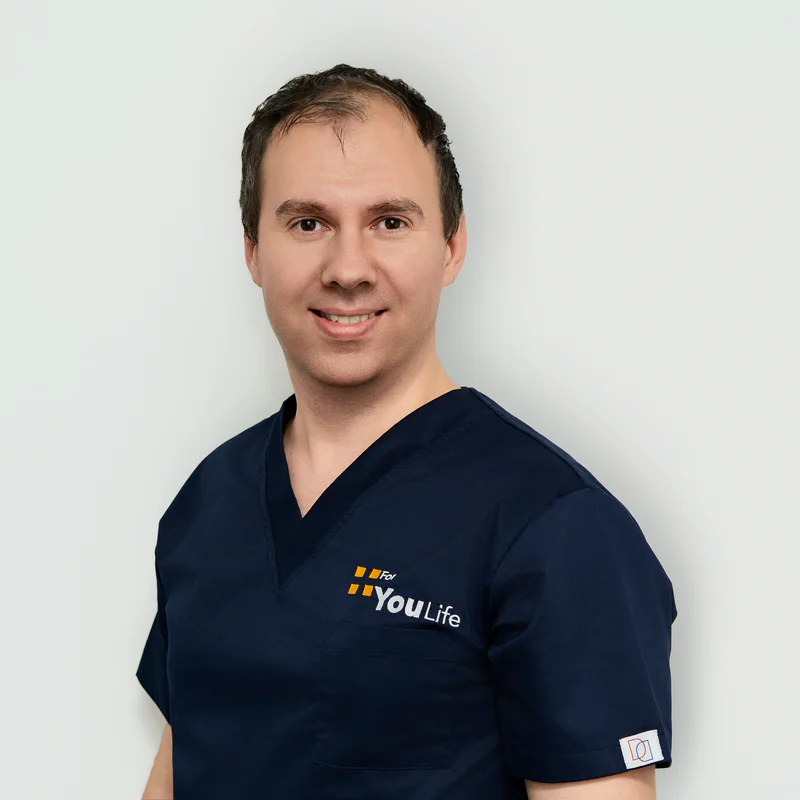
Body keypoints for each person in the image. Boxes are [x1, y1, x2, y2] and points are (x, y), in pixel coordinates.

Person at [136, 63, 677, 800]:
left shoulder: (554, 527)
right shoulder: (208, 504)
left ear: (451, 246)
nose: (347, 268)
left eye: (389, 222)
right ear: (254, 250)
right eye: (307, 223)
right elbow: (182, 761)